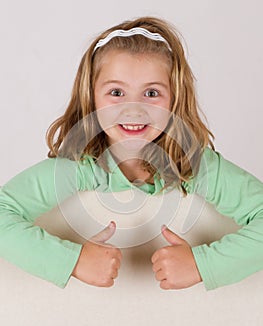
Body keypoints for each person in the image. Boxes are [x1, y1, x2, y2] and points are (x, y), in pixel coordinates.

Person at [0, 16, 262, 291]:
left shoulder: (196, 166)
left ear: (175, 99)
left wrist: (203, 264)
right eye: (116, 92)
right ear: (91, 98)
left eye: (151, 93)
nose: (134, 109)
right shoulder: (78, 167)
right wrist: (73, 261)